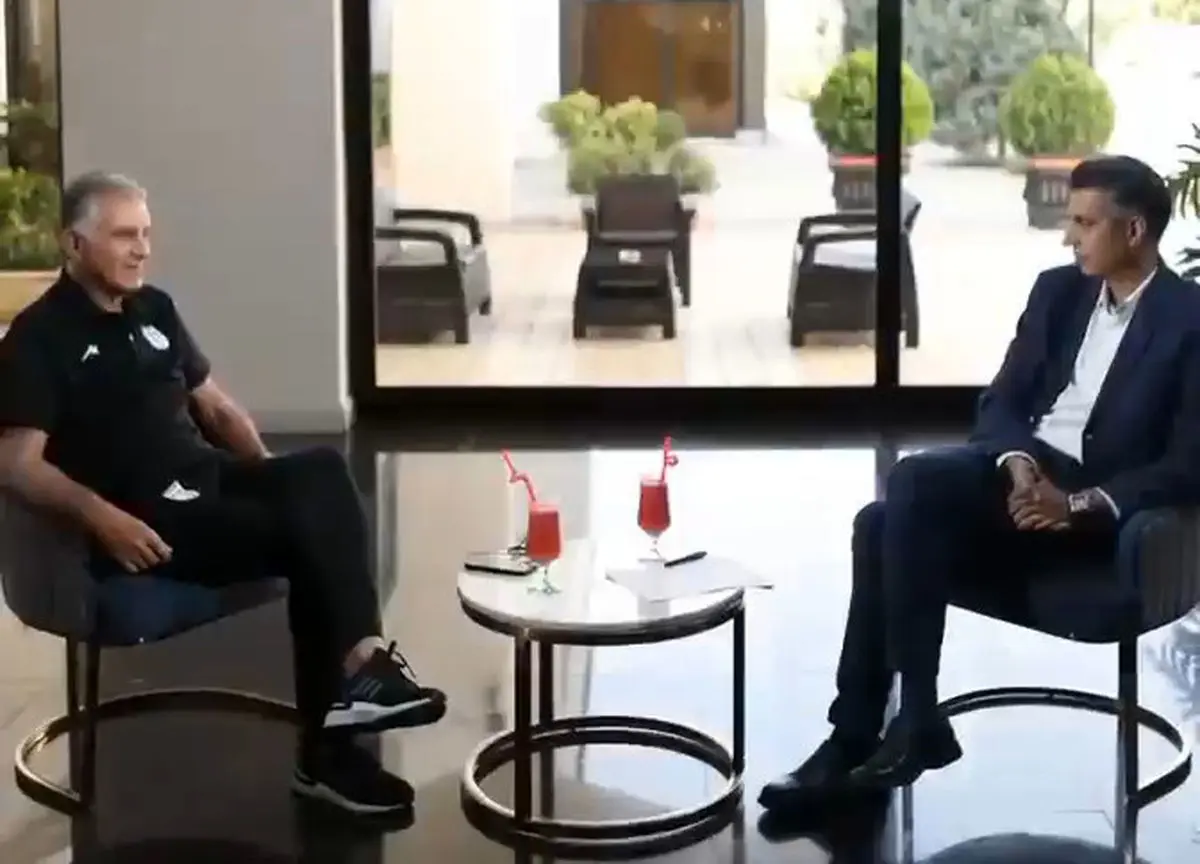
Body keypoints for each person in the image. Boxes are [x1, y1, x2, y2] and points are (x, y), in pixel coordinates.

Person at [760, 155, 1200, 812]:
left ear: (1134, 231)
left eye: (1084, 223)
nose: (1069, 237)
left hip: (1096, 517)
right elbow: (1002, 401)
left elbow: (1187, 463)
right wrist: (1016, 463)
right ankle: (898, 724)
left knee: (885, 518)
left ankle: (873, 732)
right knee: (899, 498)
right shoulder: (1058, 292)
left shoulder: (1190, 319)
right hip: (1023, 477)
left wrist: (1075, 503)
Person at [0, 171, 447, 816]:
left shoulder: (154, 308)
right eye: (124, 235)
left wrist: (274, 479)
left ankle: (365, 665)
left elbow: (215, 407)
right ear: (73, 243)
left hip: (204, 478)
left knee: (320, 471)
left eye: (146, 233)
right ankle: (327, 757)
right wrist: (102, 519)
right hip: (146, 517)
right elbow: (16, 464)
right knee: (302, 539)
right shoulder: (38, 339)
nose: (141, 249)